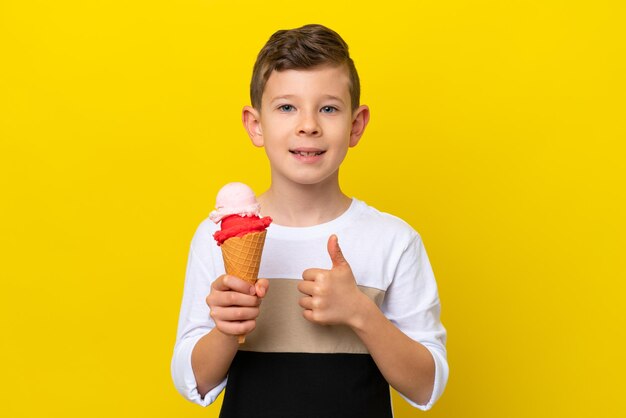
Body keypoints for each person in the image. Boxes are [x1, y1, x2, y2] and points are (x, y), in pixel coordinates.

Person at [171, 24, 448, 417]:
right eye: (287, 107)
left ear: (356, 125)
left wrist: (360, 312)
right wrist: (227, 330)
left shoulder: (393, 240)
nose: (308, 125)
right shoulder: (216, 234)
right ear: (255, 125)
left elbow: (426, 387)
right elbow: (193, 383)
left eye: (329, 108)